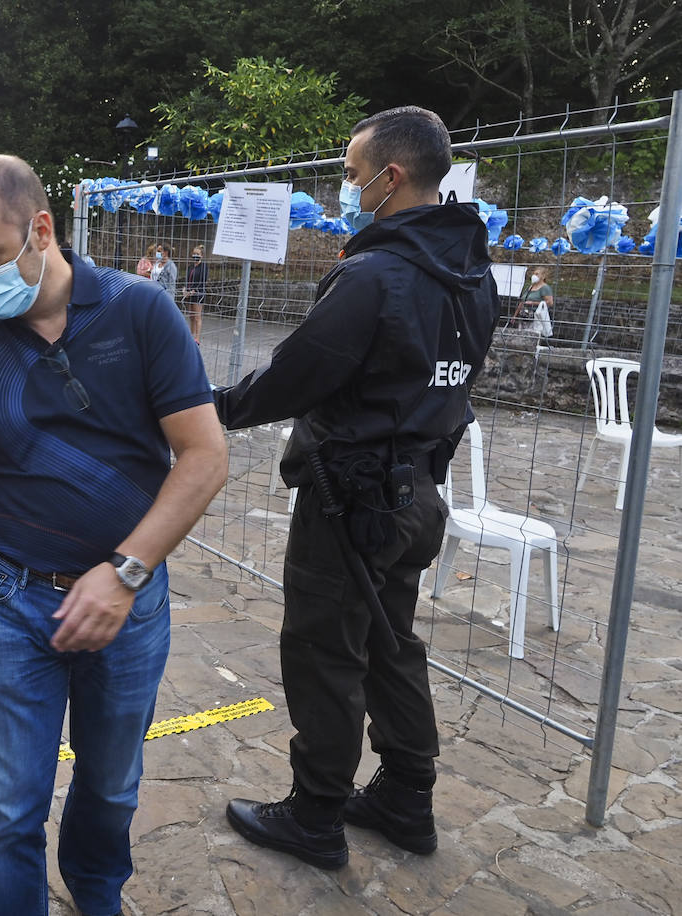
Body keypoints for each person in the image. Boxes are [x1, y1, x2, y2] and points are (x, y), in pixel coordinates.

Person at [0, 154, 228, 916]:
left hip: (130, 605)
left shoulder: (140, 312)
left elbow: (204, 457)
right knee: (8, 804)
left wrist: (126, 572)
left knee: (111, 785)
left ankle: (96, 893)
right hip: (13, 601)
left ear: (41, 229)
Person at [213, 106, 499, 870]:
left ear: (391, 176)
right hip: (416, 495)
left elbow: (298, 374)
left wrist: (210, 409)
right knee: (388, 642)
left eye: (350, 172)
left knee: (324, 650)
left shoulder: (376, 274)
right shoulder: (472, 273)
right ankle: (407, 795)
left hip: (351, 499)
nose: (346, 186)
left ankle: (315, 815)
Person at [515, 267, 554, 337]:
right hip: (524, 316)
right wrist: (515, 315)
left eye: (537, 274)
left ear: (543, 276)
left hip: (536, 317)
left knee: (533, 336)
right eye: (533, 274)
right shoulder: (530, 287)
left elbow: (550, 302)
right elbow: (522, 301)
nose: (534, 276)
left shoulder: (545, 288)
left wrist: (533, 303)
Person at [182, 245, 208, 343]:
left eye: (197, 254)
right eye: (194, 253)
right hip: (189, 294)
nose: (195, 255)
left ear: (202, 255)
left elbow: (203, 281)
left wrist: (194, 291)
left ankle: (197, 338)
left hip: (198, 294)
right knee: (191, 316)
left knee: (197, 316)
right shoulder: (190, 267)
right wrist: (185, 289)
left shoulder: (204, 267)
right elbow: (187, 279)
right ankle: (191, 335)